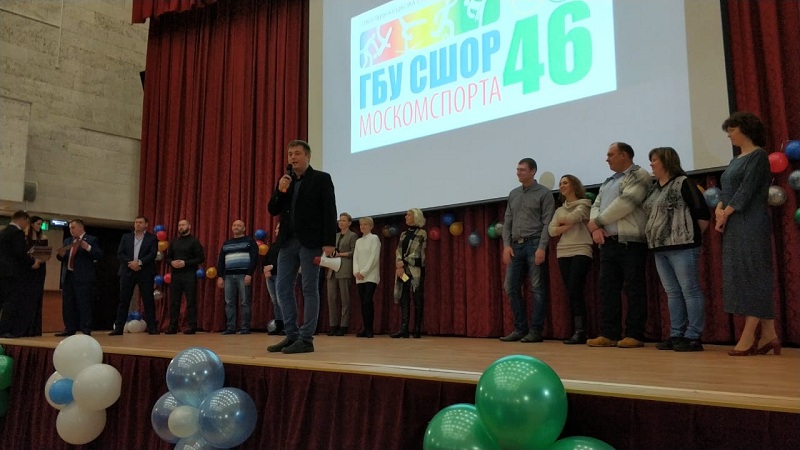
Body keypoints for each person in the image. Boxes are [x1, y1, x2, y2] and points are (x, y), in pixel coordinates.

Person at [267, 139, 337, 354]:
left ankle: (306, 339)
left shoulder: (321, 179)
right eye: (290, 154)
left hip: (311, 242)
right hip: (287, 242)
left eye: (297, 153)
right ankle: (292, 335)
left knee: (309, 288)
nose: (293, 158)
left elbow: (329, 210)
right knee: (282, 288)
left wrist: (329, 242)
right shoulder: (286, 181)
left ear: (308, 156)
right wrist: (280, 191)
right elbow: (273, 209)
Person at [716, 112, 777, 356]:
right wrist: (720, 209)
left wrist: (726, 212)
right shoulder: (735, 160)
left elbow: (746, 190)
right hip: (734, 222)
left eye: (732, 130)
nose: (729, 135)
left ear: (745, 130)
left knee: (754, 274)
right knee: (742, 274)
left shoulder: (758, 155)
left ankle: (749, 335)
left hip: (751, 222)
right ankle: (769, 334)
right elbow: (727, 190)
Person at [644, 147, 710, 352]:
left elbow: (702, 213)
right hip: (659, 248)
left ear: (666, 161)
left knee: (689, 290)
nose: (651, 164)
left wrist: (687, 235)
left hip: (683, 246)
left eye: (654, 160)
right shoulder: (654, 189)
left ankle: (693, 335)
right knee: (672, 292)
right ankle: (676, 334)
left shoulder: (684, 183)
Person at [586, 142, 650, 348]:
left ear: (624, 155)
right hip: (609, 242)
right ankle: (609, 333)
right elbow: (596, 204)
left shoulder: (639, 175)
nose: (607, 158)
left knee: (634, 289)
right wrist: (596, 228)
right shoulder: (608, 181)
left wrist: (597, 222)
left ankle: (634, 334)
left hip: (630, 241)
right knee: (608, 289)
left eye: (611, 154)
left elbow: (626, 203)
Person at [500, 158, 555, 343]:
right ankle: (520, 328)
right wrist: (506, 245)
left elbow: (548, 223)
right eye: (517, 169)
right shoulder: (514, 194)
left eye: (522, 169)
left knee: (537, 288)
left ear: (533, 171)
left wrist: (542, 247)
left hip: (535, 244)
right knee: (510, 287)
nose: (518, 172)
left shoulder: (544, 193)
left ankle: (536, 331)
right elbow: (507, 221)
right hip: (516, 246)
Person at [548, 175, 593, 345]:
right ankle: (577, 330)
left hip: (581, 248)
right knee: (571, 291)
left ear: (574, 185)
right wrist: (567, 225)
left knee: (575, 287)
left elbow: (572, 218)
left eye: (565, 183)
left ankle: (581, 331)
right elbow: (551, 231)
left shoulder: (584, 204)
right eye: (560, 183)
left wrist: (564, 223)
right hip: (563, 251)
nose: (561, 186)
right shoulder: (559, 210)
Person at [111, 216, 160, 335]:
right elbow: (120, 253)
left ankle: (152, 328)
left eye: (140, 222)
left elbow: (152, 254)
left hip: (145, 272)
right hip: (127, 271)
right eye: (136, 222)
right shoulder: (126, 237)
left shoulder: (152, 238)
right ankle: (118, 328)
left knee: (148, 300)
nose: (137, 224)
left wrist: (139, 262)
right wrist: (131, 263)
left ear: (146, 225)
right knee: (124, 300)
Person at [55, 219, 103, 336]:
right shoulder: (68, 241)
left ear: (81, 228)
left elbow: (99, 255)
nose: (71, 230)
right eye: (70, 228)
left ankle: (85, 328)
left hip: (83, 278)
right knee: (68, 304)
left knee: (83, 304)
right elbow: (62, 257)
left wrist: (88, 247)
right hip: (68, 277)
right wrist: (60, 255)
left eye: (73, 228)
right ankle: (69, 329)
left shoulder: (91, 239)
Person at [0, 211, 40, 338]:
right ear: (22, 219)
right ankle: (4, 330)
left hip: (2, 272)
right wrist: (32, 262)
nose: (26, 225)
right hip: (12, 273)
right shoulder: (17, 233)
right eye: (26, 222)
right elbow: (20, 253)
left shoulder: (3, 231)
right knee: (10, 302)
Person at [216, 219, 258, 335]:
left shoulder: (250, 241)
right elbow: (221, 261)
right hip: (228, 277)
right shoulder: (226, 243)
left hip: (243, 275)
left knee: (245, 302)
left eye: (239, 225)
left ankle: (245, 328)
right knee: (229, 302)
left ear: (244, 228)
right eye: (234, 225)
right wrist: (220, 276)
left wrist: (249, 274)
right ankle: (231, 328)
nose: (236, 227)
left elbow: (254, 259)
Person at [392, 208, 427, 339]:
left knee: (417, 298)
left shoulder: (422, 233)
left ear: (416, 217)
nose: (406, 217)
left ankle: (417, 329)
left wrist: (404, 262)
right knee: (404, 297)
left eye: (409, 215)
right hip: (403, 271)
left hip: (415, 270)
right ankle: (404, 328)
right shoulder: (403, 234)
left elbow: (418, 252)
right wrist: (399, 263)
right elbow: (398, 250)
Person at [165, 219, 205, 334]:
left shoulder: (194, 241)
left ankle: (192, 326)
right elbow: (168, 257)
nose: (181, 227)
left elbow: (201, 258)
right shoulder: (174, 242)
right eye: (179, 225)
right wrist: (171, 262)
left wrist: (185, 263)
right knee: (174, 302)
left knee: (191, 301)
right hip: (176, 275)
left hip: (189, 275)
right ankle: (172, 326)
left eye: (183, 225)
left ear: (189, 227)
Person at [326, 212, 357, 336]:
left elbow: (354, 252)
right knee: (331, 298)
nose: (341, 222)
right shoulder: (335, 235)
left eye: (344, 220)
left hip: (344, 268)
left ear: (349, 223)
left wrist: (340, 254)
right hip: (332, 269)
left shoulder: (352, 235)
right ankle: (333, 325)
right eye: (340, 220)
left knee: (345, 299)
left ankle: (343, 325)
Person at [353, 216, 380, 338]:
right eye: (361, 224)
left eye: (365, 224)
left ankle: (370, 329)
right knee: (363, 303)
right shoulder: (358, 241)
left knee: (367, 301)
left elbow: (374, 257)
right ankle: (365, 327)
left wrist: (364, 272)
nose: (363, 226)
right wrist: (356, 271)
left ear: (371, 226)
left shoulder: (374, 238)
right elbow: (355, 258)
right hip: (359, 277)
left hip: (370, 275)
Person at [22, 215, 49, 336]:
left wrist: (40, 260)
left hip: (40, 269)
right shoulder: (24, 237)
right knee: (27, 297)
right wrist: (32, 261)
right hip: (28, 269)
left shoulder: (43, 237)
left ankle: (35, 328)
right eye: (38, 224)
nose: (40, 226)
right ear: (32, 224)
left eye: (41, 224)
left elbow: (46, 254)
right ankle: (25, 327)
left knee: (37, 297)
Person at [263, 223, 284, 335]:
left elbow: (285, 262)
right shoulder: (273, 245)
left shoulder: (286, 246)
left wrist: (272, 267)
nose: (276, 230)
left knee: (281, 301)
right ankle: (278, 326)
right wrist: (265, 269)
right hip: (270, 276)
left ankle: (286, 326)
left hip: (280, 275)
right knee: (275, 301)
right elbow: (266, 259)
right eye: (276, 228)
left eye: (279, 228)